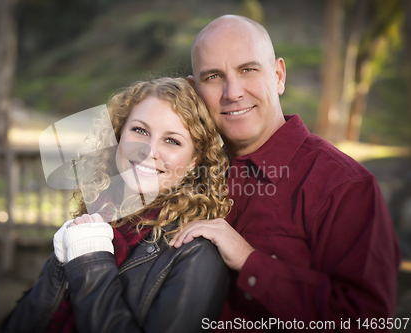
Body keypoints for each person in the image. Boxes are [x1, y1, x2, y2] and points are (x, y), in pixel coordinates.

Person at [169, 15, 402, 331]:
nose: (232, 92)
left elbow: (368, 320)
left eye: (248, 70)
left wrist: (249, 262)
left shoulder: (344, 185)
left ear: (278, 76)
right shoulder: (182, 170)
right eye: (213, 77)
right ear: (195, 91)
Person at [0, 77, 232, 333]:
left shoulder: (196, 255)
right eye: (140, 131)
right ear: (119, 135)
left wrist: (90, 263)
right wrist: (58, 265)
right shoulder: (98, 216)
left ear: (193, 161)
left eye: (172, 141)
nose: (147, 150)